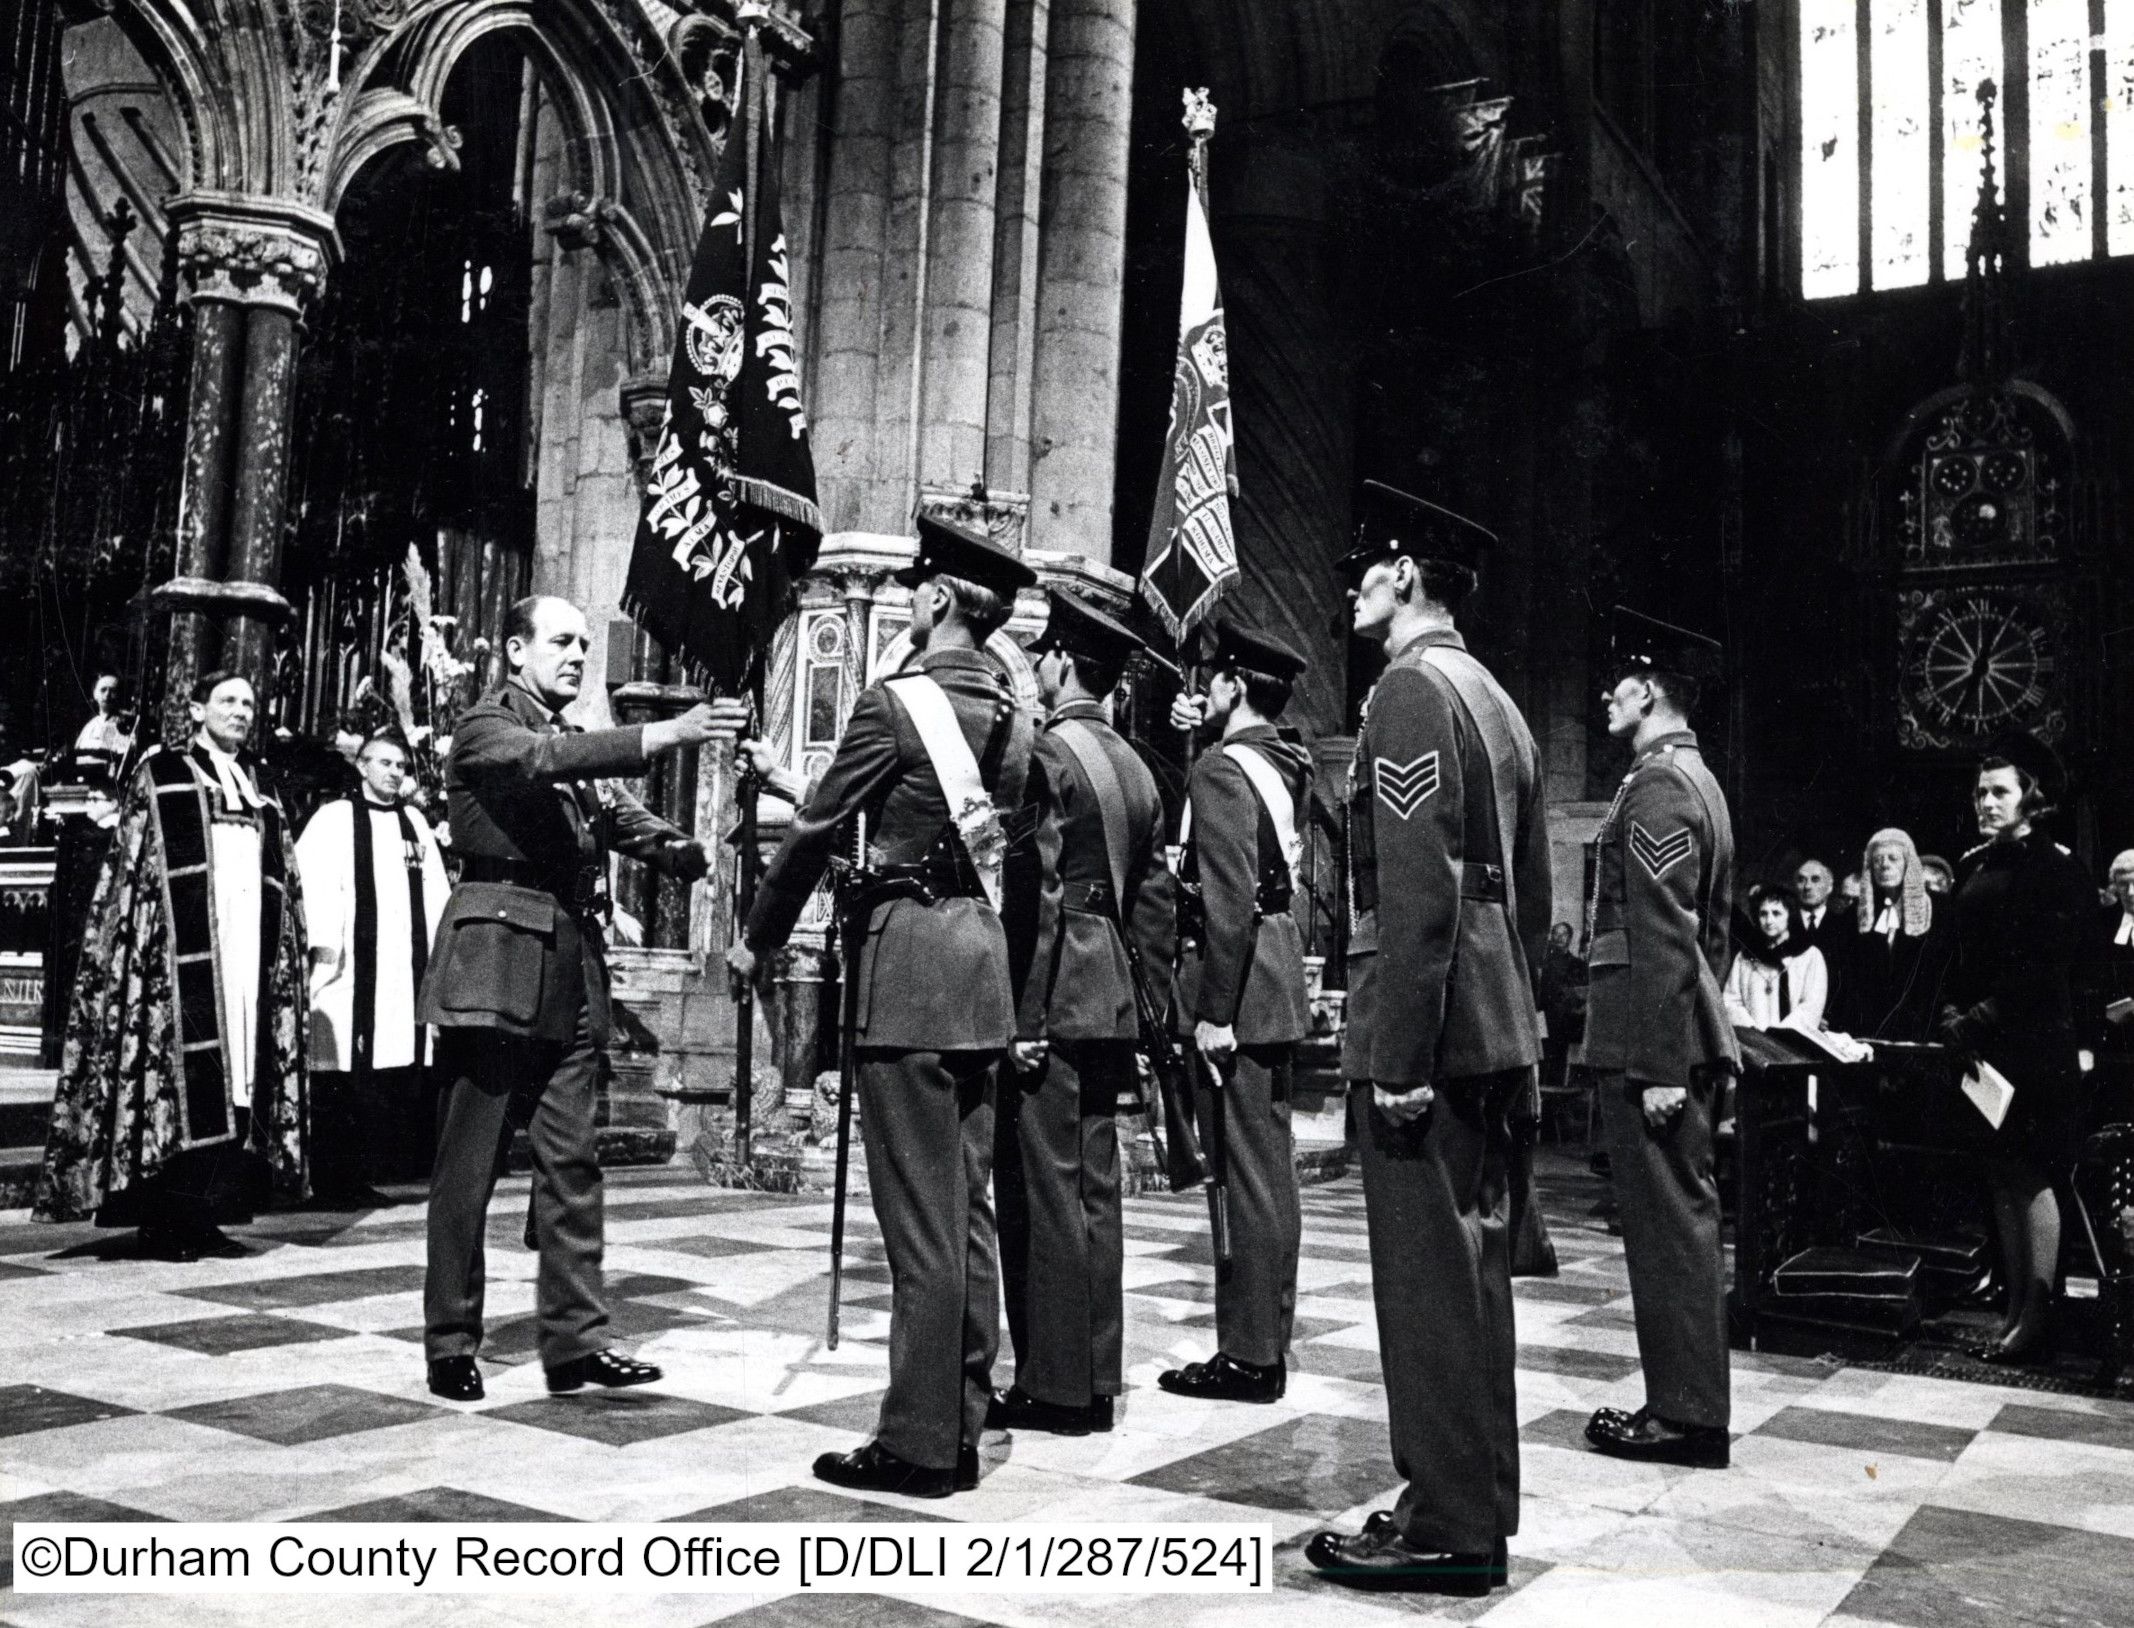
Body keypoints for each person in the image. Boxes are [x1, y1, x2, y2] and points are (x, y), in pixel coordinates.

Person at [727, 515, 1043, 1498]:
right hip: (983, 973)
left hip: (907, 974)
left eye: (916, 589)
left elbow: (818, 826)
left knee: (918, 1226)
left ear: (940, 599)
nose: (907, 602)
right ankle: (961, 1410)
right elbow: (1022, 867)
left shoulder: (897, 702)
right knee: (969, 1214)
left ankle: (917, 1442)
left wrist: (758, 935)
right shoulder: (1022, 720)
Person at [1303, 483, 1548, 1596]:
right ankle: (1474, 1494)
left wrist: (1397, 1055)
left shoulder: (1409, 690)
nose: (1352, 579)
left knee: (1427, 1286)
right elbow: (1528, 900)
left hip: (1432, 1036)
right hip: (1490, 1024)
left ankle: (1447, 1525)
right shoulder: (1495, 696)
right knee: (1474, 1275)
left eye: (1368, 562)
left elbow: (1417, 894)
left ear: (1407, 575)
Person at [420, 595, 722, 1404]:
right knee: (469, 1165)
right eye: (560, 641)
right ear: (516, 651)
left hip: (569, 967)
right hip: (494, 962)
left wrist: (684, 850)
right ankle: (450, 1340)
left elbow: (614, 816)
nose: (577, 655)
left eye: (585, 644)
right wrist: (662, 734)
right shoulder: (487, 727)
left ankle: (576, 1342)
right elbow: (541, 765)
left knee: (571, 1161)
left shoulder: (565, 744)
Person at [37, 671, 310, 1260]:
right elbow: (132, 872)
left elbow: (283, 879)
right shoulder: (162, 773)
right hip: (179, 962)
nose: (241, 711)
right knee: (177, 1081)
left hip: (244, 956)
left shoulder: (260, 786)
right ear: (197, 708)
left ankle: (207, 1214)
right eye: (228, 701)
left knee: (237, 1080)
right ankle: (165, 1219)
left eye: (248, 702)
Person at [991, 588, 1174, 1438]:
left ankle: (1056, 1386)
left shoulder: (1044, 755)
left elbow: (1040, 892)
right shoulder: (1138, 766)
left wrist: (1024, 1017)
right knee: (1097, 1189)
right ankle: (1096, 1370)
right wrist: (1153, 1011)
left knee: (1045, 1190)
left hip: (1058, 988)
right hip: (1113, 998)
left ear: (1060, 662)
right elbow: (1157, 905)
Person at [1579, 609, 1737, 1469]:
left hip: (1656, 1043)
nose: (1607, 695)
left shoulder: (1662, 787)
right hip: (1667, 1032)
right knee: (1678, 1223)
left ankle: (1684, 1414)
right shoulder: (1694, 779)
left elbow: (1669, 934)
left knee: (1672, 1228)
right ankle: (1684, 1403)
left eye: (1618, 682)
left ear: (1648, 690)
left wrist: (1663, 1062)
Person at [1158, 620, 1312, 1405]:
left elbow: (1225, 900)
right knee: (1268, 1174)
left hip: (1238, 991)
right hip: (1275, 980)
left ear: (1234, 686)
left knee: (1245, 1177)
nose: (1200, 688)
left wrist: (1214, 1012)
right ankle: (1262, 1339)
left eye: (1212, 677)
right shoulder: (1282, 760)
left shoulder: (1223, 770)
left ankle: (1250, 1356)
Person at [1937, 737, 2095, 1364]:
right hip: (1983, 1051)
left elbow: (2049, 967)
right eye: (1980, 792)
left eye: (1999, 791)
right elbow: (1957, 954)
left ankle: (2039, 1313)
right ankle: (2012, 1310)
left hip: (2033, 1046)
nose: (1986, 802)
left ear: (2031, 797)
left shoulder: (2057, 870)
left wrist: (1981, 1016)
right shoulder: (1978, 866)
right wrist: (1952, 1011)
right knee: (2000, 1174)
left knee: (2032, 1174)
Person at [296, 729, 452, 1201]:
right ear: (361, 766)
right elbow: (314, 884)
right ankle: (330, 1178)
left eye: (401, 766)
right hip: (348, 971)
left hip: (401, 974)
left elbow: (436, 893)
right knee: (341, 1070)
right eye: (384, 763)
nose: (394, 773)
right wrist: (324, 947)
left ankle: (366, 1172)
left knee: (388, 1072)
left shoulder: (416, 824)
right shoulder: (334, 818)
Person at [1828, 828, 1951, 1042]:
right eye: (1877, 860)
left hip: (1921, 1033)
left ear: (1908, 863)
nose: (1884, 865)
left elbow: (1945, 973)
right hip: (1866, 1033)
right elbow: (1844, 977)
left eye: (1893, 858)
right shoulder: (1854, 916)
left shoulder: (1939, 910)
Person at [1722, 884, 1827, 1030]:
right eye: (1763, 914)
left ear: (1790, 915)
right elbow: (1731, 1001)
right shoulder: (1745, 956)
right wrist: (1753, 1032)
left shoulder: (1809, 956)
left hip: (1792, 1042)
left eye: (1776, 913)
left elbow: (1811, 1006)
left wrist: (1781, 1036)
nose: (1769, 921)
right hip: (1753, 1042)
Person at [73, 674, 135, 780]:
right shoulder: (89, 726)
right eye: (103, 690)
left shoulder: (125, 724)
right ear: (95, 694)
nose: (107, 694)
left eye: (113, 691)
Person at [1793, 858, 1839, 954]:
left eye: (1815, 879)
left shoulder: (1843, 926)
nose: (1807, 886)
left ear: (1829, 887)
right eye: (1801, 880)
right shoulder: (1783, 922)